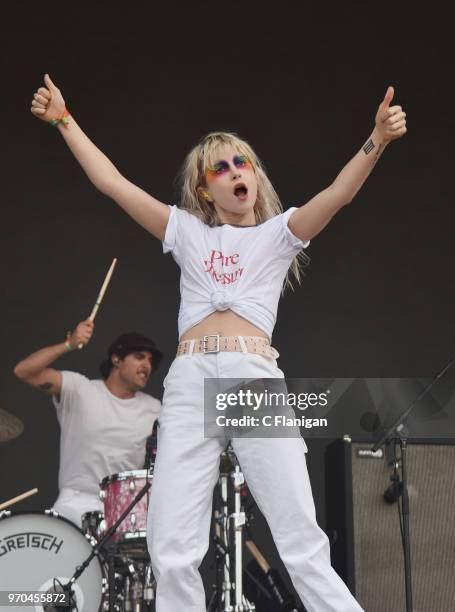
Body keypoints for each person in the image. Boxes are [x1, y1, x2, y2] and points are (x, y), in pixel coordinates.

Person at [29, 74, 406, 611]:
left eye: (241, 163)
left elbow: (338, 195)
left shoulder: (279, 234)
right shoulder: (187, 231)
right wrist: (64, 120)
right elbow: (113, 183)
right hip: (190, 379)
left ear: (254, 175)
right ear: (205, 188)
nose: (235, 173)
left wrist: (377, 140)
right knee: (171, 548)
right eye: (221, 168)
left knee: (301, 541)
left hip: (251, 377)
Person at [14, 319, 162, 526]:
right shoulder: (79, 389)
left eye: (150, 361)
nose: (147, 365)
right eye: (139, 357)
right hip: (74, 502)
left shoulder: (155, 409)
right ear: (116, 359)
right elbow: (24, 371)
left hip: (123, 511)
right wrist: (69, 344)